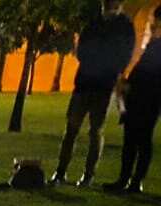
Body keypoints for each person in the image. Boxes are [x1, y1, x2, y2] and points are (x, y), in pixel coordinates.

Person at [51, 0, 136, 186]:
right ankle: (60, 172)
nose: (107, 6)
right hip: (84, 83)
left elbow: (124, 55)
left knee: (95, 131)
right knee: (71, 130)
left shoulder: (124, 26)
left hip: (103, 85)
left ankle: (88, 175)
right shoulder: (95, 22)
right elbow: (81, 49)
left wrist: (104, 65)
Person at [105, 6, 161, 194]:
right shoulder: (153, 44)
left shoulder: (157, 46)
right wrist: (127, 83)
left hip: (150, 99)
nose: (151, 23)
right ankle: (125, 179)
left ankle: (135, 181)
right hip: (137, 97)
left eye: (154, 20)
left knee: (142, 140)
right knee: (130, 140)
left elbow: (150, 73)